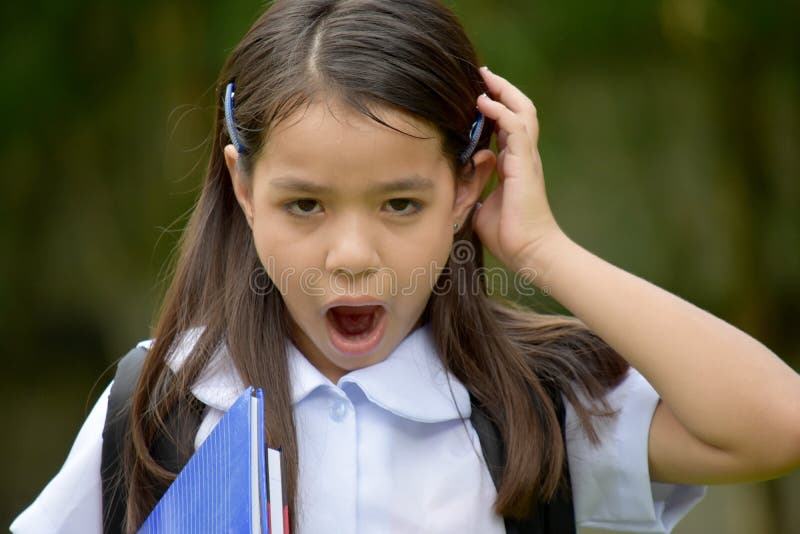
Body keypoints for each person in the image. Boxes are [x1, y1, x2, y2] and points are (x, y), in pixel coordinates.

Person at [11, 1, 800, 533]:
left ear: (469, 189)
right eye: (305, 206)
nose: (352, 257)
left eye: (399, 205)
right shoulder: (164, 402)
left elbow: (775, 424)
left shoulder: (530, 407)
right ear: (244, 189)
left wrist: (541, 249)